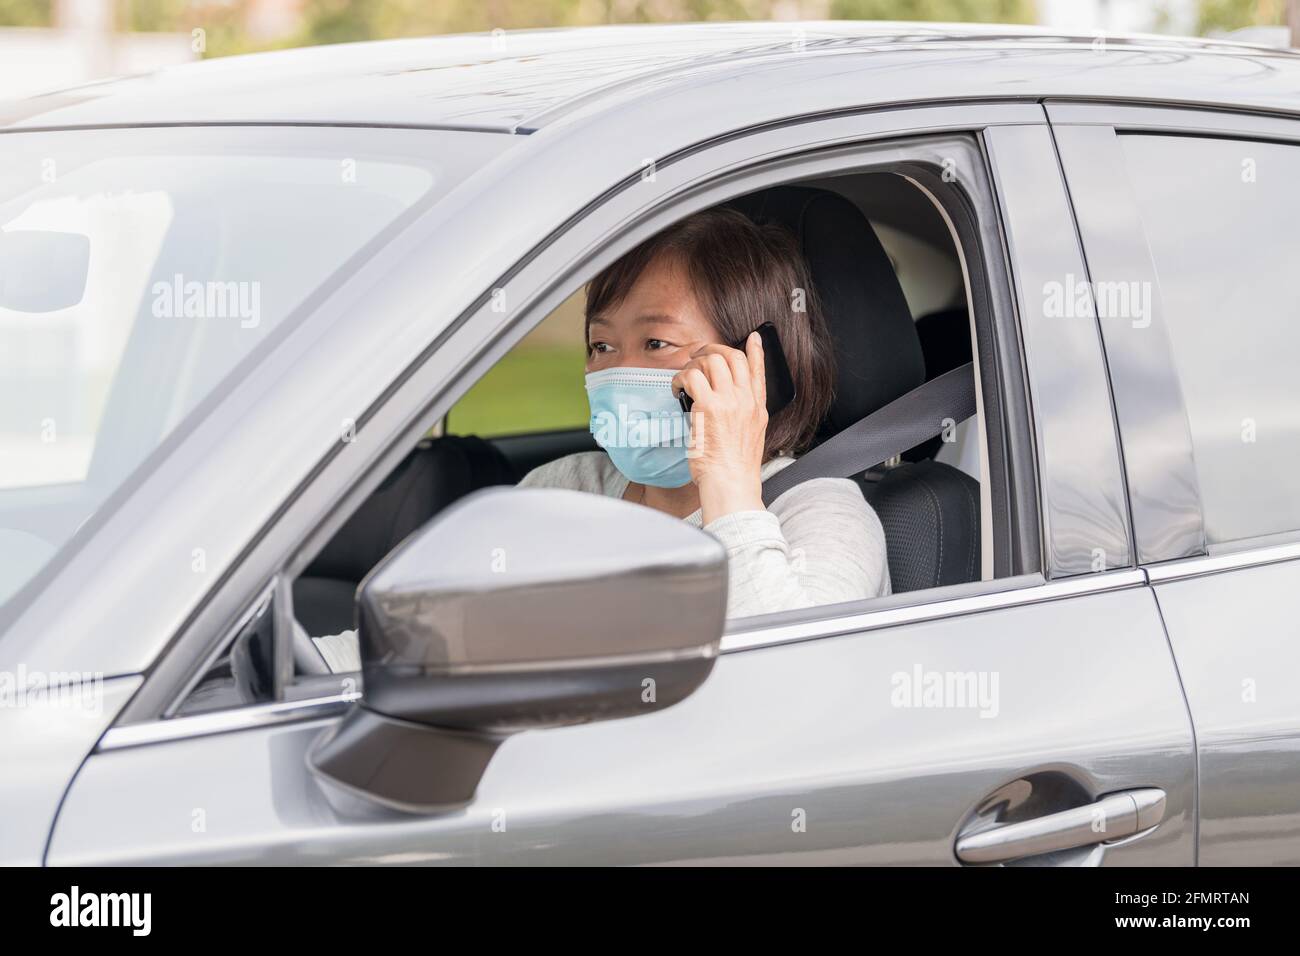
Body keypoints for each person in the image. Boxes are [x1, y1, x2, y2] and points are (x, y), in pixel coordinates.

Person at [518, 206, 890, 618]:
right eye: (601, 346)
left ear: (755, 364)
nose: (619, 371)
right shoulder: (563, 489)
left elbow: (794, 672)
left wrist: (727, 483)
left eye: (657, 343)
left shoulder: (826, 514)